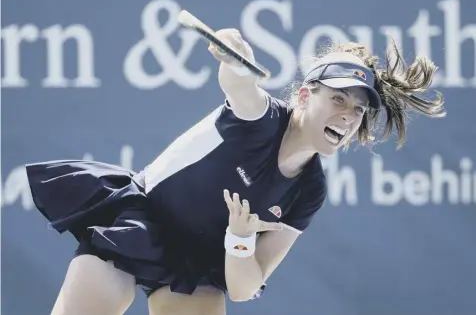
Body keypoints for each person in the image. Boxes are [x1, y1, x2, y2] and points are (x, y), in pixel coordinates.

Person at [25, 28, 446, 315]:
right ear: (303, 96)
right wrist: (235, 57)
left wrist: (241, 240)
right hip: (137, 223)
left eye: (358, 110)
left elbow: (245, 288)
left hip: (194, 268)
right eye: (338, 100)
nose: (349, 116)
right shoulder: (259, 119)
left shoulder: (310, 189)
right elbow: (239, 85)